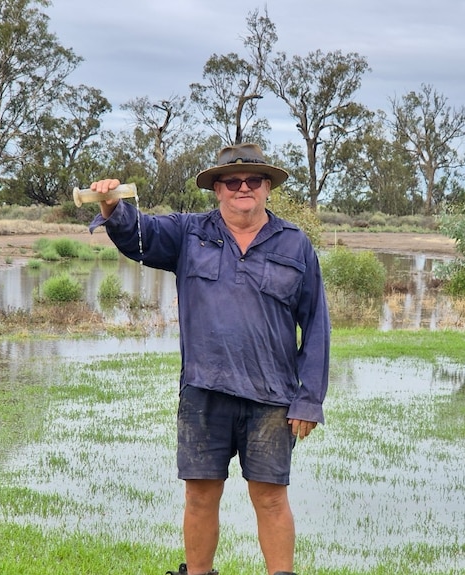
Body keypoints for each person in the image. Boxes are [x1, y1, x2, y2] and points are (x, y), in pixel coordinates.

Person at [87, 143, 331, 575]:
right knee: (200, 495)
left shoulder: (296, 245)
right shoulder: (188, 233)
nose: (243, 188)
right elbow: (137, 235)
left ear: (267, 188)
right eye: (232, 181)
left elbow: (315, 326)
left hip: (271, 398)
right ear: (217, 189)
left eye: (253, 181)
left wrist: (308, 399)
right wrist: (112, 207)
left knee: (271, 497)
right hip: (202, 392)